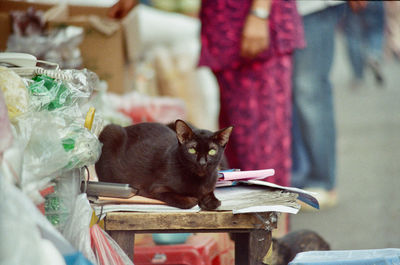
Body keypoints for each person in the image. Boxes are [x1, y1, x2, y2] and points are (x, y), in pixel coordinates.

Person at [199, 0, 304, 188]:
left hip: (253, 24)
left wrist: (260, 12)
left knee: (261, 155)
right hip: (225, 27)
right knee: (235, 154)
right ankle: (252, 215)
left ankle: (272, 215)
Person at [291, 1, 347, 209]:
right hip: (278, 11)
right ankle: (296, 178)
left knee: (309, 92)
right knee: (287, 96)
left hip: (312, 8)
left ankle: (321, 181)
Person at [341, 1, 386, 85]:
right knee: (376, 31)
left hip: (353, 4)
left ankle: (358, 76)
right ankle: (374, 54)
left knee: (353, 37)